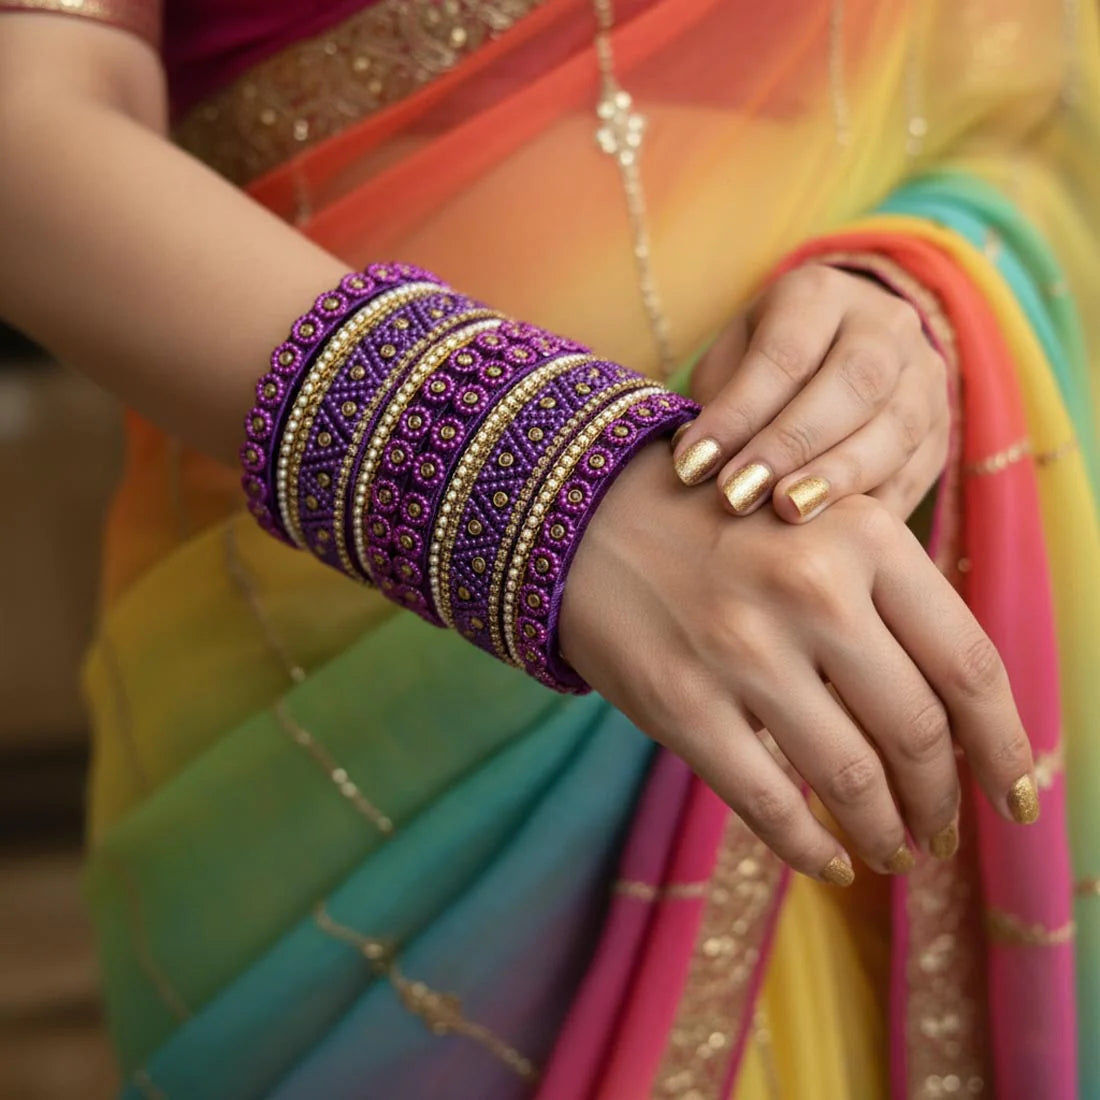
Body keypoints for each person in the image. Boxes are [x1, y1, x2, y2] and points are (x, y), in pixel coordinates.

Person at [1, 1, 1097, 1096]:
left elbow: (1018, 89)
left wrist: (901, 296)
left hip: (865, 571)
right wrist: (541, 479)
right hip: (360, 701)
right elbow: (30, 121)